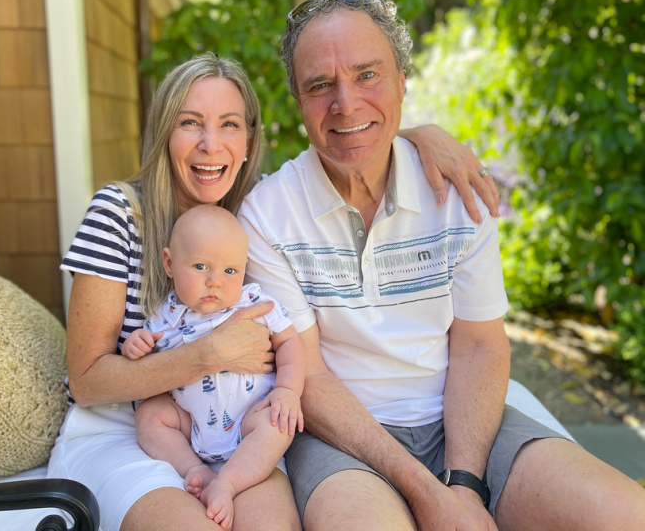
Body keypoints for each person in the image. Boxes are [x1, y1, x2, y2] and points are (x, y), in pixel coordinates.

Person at [237, 0, 645, 531]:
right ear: (298, 99)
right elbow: (308, 375)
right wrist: (428, 494)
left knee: (624, 514)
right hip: (343, 441)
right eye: (320, 85)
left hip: (467, 426)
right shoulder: (267, 215)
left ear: (404, 80)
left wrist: (465, 484)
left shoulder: (456, 189)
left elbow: (479, 343)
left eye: (367, 74)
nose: (346, 102)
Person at [48, 50, 501, 531]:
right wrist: (206, 355)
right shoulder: (119, 215)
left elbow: (345, 151)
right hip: (132, 428)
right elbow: (87, 380)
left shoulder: (257, 211)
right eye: (190, 124)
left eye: (229, 125)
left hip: (240, 428)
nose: (210, 144)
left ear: (248, 141)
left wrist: (418, 135)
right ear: (164, 135)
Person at [121, 205, 304, 531]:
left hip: (249, 419)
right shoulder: (167, 315)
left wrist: (289, 391)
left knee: (278, 424)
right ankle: (194, 469)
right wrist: (136, 345)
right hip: (189, 425)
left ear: (244, 270)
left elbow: (290, 343)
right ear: (170, 264)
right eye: (201, 266)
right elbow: (150, 370)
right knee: (149, 415)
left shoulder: (255, 303)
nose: (215, 282)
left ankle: (229, 483)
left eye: (229, 271)